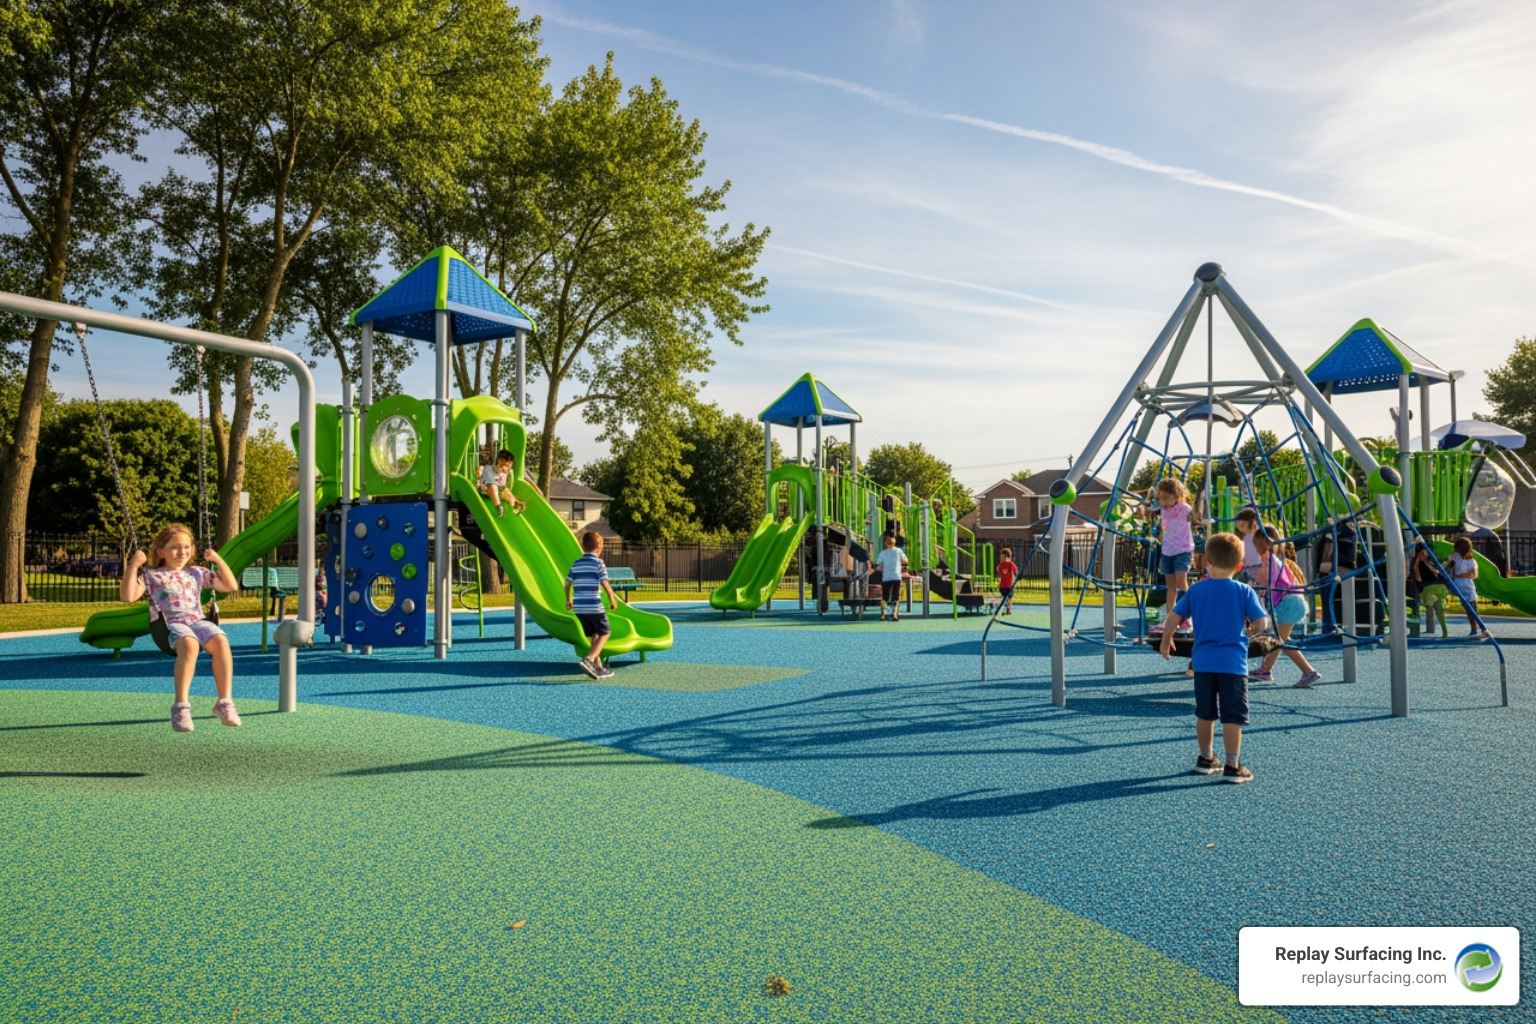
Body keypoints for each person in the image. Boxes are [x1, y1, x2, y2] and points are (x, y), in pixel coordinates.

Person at [1159, 532, 1268, 784]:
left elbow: (1174, 617)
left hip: (1204, 663)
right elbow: (1261, 623)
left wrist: (1167, 640)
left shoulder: (1196, 590)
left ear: (1205, 560)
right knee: (1232, 716)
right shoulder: (1244, 591)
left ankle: (1206, 757)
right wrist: (1256, 634)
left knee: (1205, 713)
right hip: (1233, 664)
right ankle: (1232, 764)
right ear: (1239, 565)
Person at [121, 524, 241, 732]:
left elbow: (231, 586)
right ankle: (181, 707)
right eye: (174, 547)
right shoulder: (152, 575)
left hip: (198, 621)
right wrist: (134, 564)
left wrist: (217, 559)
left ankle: (224, 702)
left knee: (221, 640)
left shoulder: (197, 572)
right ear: (161, 552)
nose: (181, 552)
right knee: (190, 644)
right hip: (171, 624)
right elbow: (128, 596)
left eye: (186, 547)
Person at [1251, 527, 1321, 688]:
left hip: (1290, 603)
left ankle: (1307, 671)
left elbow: (1271, 582)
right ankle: (1266, 669)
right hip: (1291, 602)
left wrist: (1262, 588)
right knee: (1279, 639)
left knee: (1278, 640)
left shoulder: (1270, 559)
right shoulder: (1275, 559)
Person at [564, 530, 620, 678]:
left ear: (583, 546)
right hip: (594, 606)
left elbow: (566, 584)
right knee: (605, 632)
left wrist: (568, 600)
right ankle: (589, 660)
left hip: (580, 608)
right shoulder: (598, 563)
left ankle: (597, 667)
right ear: (600, 546)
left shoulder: (576, 564)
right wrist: (613, 600)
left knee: (594, 635)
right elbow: (605, 584)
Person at [1144, 479, 1196, 620]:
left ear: (1177, 495)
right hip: (1167, 551)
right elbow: (1147, 510)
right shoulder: (1162, 510)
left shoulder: (1184, 508)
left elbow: (1195, 515)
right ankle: (1170, 616)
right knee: (1170, 586)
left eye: (1167, 498)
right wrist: (1148, 499)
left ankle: (1188, 614)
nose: (1164, 502)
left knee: (1181, 581)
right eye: (1161, 498)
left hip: (1183, 550)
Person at [1408, 542, 1450, 638]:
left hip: (1435, 585)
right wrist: (1417, 561)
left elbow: (1436, 571)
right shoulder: (1417, 564)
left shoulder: (1425, 564)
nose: (1424, 555)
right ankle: (1432, 600)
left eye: (1425, 553)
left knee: (1440, 611)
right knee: (1435, 599)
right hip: (1427, 588)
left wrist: (1446, 563)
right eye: (1422, 554)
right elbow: (1418, 579)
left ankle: (1445, 631)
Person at [1445, 536, 1481, 635]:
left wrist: (1459, 575)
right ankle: (1474, 628)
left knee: (1469, 609)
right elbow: (1473, 575)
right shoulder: (1458, 558)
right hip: (1462, 586)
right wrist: (1462, 574)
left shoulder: (1468, 561)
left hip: (1463, 586)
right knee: (1471, 608)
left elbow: (1473, 574)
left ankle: (1475, 628)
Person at [479, 449, 526, 518]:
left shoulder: (505, 474)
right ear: (497, 462)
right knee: (493, 487)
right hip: (486, 489)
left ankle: (511, 512)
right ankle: (498, 507)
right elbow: (482, 469)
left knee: (508, 494)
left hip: (499, 490)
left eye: (507, 466)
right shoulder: (490, 469)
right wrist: (480, 472)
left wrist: (515, 500)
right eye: (502, 465)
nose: (504, 468)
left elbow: (504, 488)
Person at [875, 534, 908, 621]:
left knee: (885, 596)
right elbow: (905, 561)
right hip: (896, 575)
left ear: (886, 543)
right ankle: (895, 614)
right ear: (894, 542)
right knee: (896, 596)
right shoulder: (898, 551)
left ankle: (882, 615)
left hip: (886, 576)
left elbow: (878, 564)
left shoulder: (883, 553)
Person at [996, 547, 1019, 615]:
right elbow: (1016, 570)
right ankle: (1007, 609)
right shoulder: (1007, 564)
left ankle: (1007, 609)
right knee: (1009, 597)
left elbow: (998, 570)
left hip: (1006, 585)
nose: (1002, 558)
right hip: (1007, 585)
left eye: (1002, 557)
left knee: (1007, 597)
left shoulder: (1007, 564)